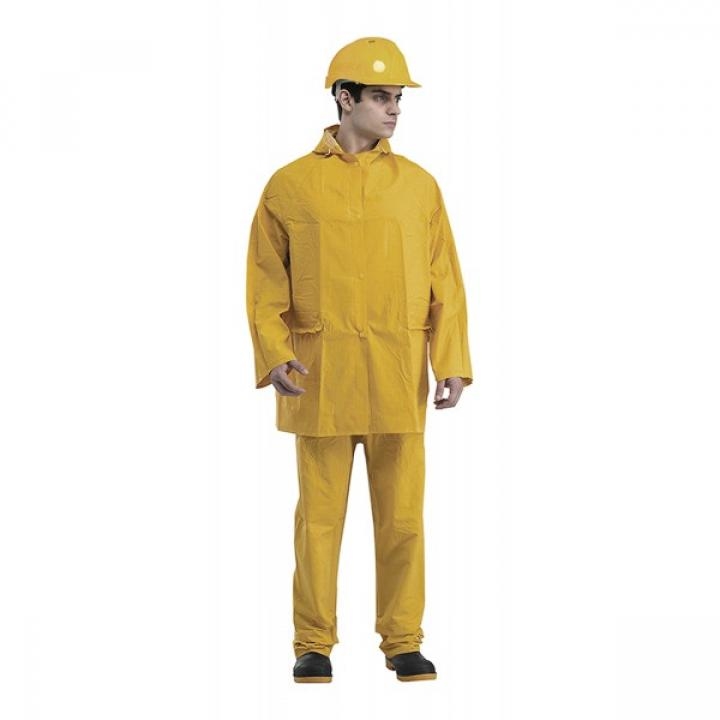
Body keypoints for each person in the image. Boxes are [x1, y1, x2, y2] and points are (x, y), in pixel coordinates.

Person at [246, 36, 473, 683]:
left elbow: (446, 281)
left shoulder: (418, 187)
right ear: (344, 98)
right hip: (319, 378)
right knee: (318, 522)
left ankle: (403, 640)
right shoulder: (290, 186)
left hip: (399, 375)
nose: (394, 108)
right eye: (380, 96)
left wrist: (452, 361)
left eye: (398, 97)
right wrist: (274, 353)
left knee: (402, 520)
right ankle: (312, 643)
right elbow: (265, 281)